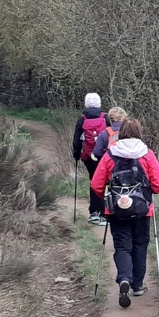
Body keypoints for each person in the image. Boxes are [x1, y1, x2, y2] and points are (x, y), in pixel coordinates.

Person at [91, 119, 159, 308]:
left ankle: (124, 278)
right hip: (143, 210)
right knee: (140, 245)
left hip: (116, 210)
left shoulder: (110, 155)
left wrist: (107, 199)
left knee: (122, 246)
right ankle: (138, 285)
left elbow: (96, 184)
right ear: (140, 132)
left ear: (120, 133)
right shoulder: (147, 154)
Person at [71, 93, 107, 225]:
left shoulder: (82, 119)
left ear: (86, 104)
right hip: (104, 156)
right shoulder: (106, 117)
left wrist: (76, 153)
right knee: (104, 182)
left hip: (88, 157)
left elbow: (76, 140)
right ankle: (104, 214)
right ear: (99, 104)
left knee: (93, 181)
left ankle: (94, 213)